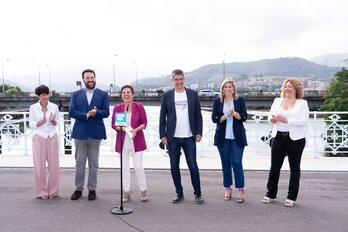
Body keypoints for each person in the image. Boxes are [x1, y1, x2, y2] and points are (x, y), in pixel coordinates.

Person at [159, 69, 204, 204]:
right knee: (174, 166)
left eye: (181, 79)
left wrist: (199, 132)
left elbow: (198, 116)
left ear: (184, 79)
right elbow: (162, 117)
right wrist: (162, 135)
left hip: (189, 136)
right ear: (172, 80)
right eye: (176, 79)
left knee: (193, 166)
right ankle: (179, 193)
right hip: (173, 138)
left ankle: (198, 193)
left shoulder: (192, 94)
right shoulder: (167, 96)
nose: (178, 82)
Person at [263, 78, 309, 207]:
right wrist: (272, 119)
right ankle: (270, 194)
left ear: (296, 89)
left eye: (290, 87)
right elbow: (270, 116)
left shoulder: (302, 103)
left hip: (296, 139)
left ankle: (291, 197)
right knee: (274, 167)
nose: (287, 89)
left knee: (294, 168)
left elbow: (303, 121)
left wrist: (286, 120)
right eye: (286, 86)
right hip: (277, 137)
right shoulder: (277, 101)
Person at [69, 69, 110, 201]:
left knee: (94, 164)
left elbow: (106, 112)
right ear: (83, 79)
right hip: (80, 133)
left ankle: (92, 189)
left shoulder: (103, 94)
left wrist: (96, 113)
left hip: (95, 133)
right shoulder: (76, 94)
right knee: (79, 163)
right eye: (87, 78)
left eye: (92, 77)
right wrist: (87, 115)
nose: (90, 80)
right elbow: (71, 112)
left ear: (95, 78)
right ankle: (78, 189)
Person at [211, 77, 248, 203]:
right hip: (223, 138)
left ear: (233, 89)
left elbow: (244, 117)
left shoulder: (240, 100)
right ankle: (228, 188)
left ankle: (240, 189)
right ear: (222, 89)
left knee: (237, 163)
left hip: (237, 137)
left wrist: (235, 114)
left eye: (229, 87)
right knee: (225, 163)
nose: (227, 89)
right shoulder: (217, 101)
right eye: (225, 87)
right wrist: (226, 116)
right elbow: (214, 118)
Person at [111, 85, 148, 203]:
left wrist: (136, 130)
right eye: (124, 92)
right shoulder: (118, 108)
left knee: (138, 167)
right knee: (124, 168)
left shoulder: (139, 107)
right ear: (121, 95)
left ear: (133, 94)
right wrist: (120, 128)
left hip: (136, 140)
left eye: (128, 92)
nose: (126, 94)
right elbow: (113, 124)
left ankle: (143, 190)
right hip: (122, 141)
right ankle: (126, 191)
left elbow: (144, 122)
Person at [29, 85, 60, 199]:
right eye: (43, 94)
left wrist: (53, 121)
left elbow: (59, 122)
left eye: (47, 94)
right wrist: (41, 121)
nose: (45, 96)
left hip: (52, 137)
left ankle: (53, 191)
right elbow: (31, 124)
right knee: (39, 166)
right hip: (39, 138)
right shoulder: (33, 108)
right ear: (38, 96)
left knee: (54, 165)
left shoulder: (54, 107)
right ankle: (41, 191)